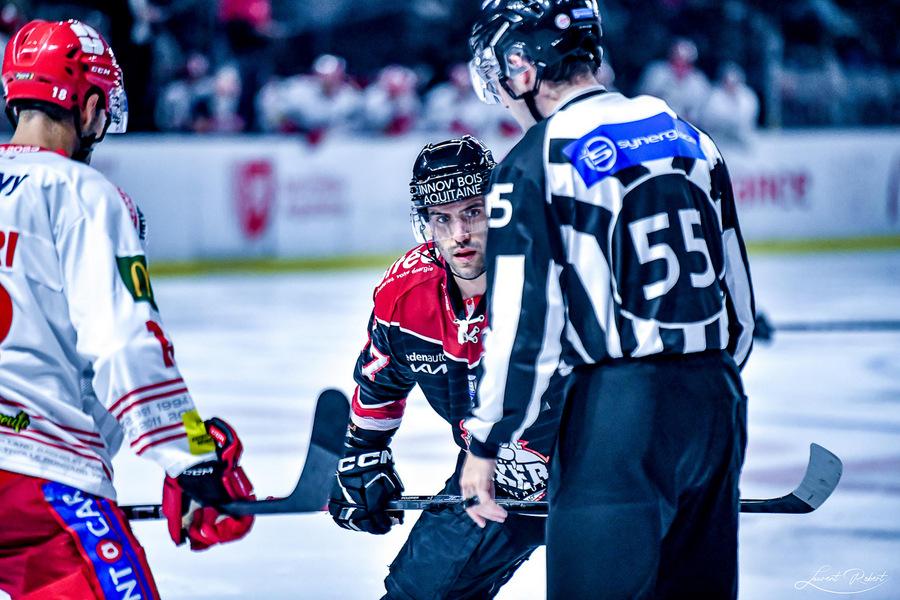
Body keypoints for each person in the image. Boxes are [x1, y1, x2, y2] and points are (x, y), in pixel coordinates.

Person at [464, 1, 755, 598]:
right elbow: (740, 310)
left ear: (523, 66)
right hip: (717, 402)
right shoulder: (691, 137)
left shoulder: (537, 158)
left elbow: (523, 326)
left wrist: (486, 442)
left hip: (619, 416)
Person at [0, 19, 255, 598]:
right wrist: (194, 457)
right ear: (89, 105)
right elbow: (124, 343)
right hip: (37, 482)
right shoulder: (83, 193)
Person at [327, 136, 564, 599]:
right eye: (443, 218)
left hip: (596, 477)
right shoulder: (406, 295)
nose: (459, 234)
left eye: (473, 212)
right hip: (492, 477)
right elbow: (382, 381)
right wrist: (364, 452)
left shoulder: (554, 273)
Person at [637, 38, 711, 123]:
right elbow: (643, 99)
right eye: (677, 61)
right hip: (653, 120)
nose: (680, 66)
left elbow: (699, 113)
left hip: (683, 125)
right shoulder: (656, 72)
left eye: (685, 63)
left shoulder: (699, 82)